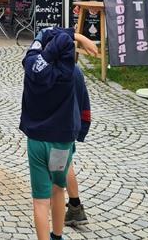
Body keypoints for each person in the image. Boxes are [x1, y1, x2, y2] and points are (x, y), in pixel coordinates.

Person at [20, 27, 96, 240]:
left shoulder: (32, 67)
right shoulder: (73, 74)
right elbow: (83, 105)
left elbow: (41, 38)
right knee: (58, 189)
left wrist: (68, 37)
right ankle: (57, 236)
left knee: (40, 200)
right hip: (62, 144)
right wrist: (78, 37)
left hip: (37, 141)